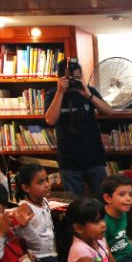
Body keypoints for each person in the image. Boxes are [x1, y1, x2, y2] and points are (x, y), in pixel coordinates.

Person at [44, 58, 115, 196]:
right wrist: (60, 92)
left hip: (94, 158)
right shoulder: (53, 94)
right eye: (71, 78)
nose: (74, 82)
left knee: (101, 200)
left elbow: (109, 111)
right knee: (74, 205)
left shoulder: (88, 90)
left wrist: (89, 95)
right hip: (69, 162)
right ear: (61, 78)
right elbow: (50, 120)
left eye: (77, 77)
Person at [15, 163, 59, 262]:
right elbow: (30, 241)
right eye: (40, 182)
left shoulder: (44, 200)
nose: (47, 184)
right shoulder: (25, 207)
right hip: (41, 256)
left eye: (47, 180)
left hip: (53, 252)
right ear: (26, 187)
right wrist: (24, 226)